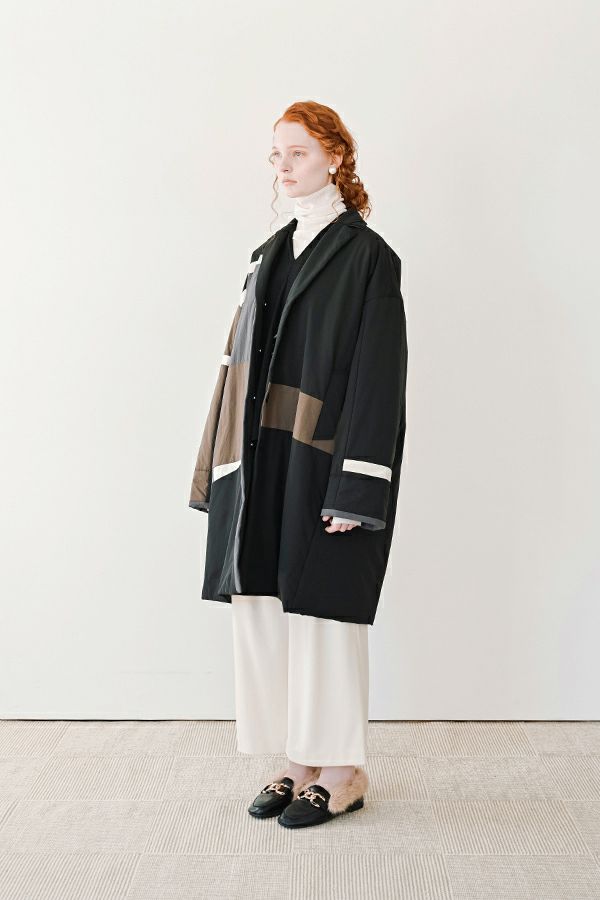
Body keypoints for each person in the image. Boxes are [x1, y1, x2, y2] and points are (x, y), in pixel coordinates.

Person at [189, 100, 408, 828]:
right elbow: (234, 371)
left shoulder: (369, 258)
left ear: (335, 158)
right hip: (258, 464)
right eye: (276, 154)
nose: (283, 167)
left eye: (299, 153)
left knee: (323, 614)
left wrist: (357, 487)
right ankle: (296, 760)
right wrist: (216, 469)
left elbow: (379, 381)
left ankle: (342, 770)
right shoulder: (269, 254)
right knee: (265, 609)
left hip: (322, 466)